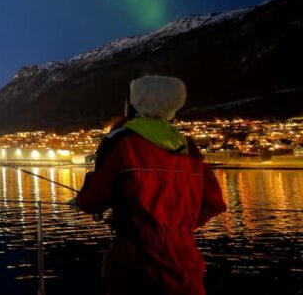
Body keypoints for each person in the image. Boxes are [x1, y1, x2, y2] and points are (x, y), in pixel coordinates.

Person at [71, 75, 226, 295]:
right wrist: (178, 227)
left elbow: (94, 198)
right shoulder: (187, 147)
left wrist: (80, 202)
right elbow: (214, 203)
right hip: (186, 261)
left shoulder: (123, 143)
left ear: (134, 104)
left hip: (137, 263)